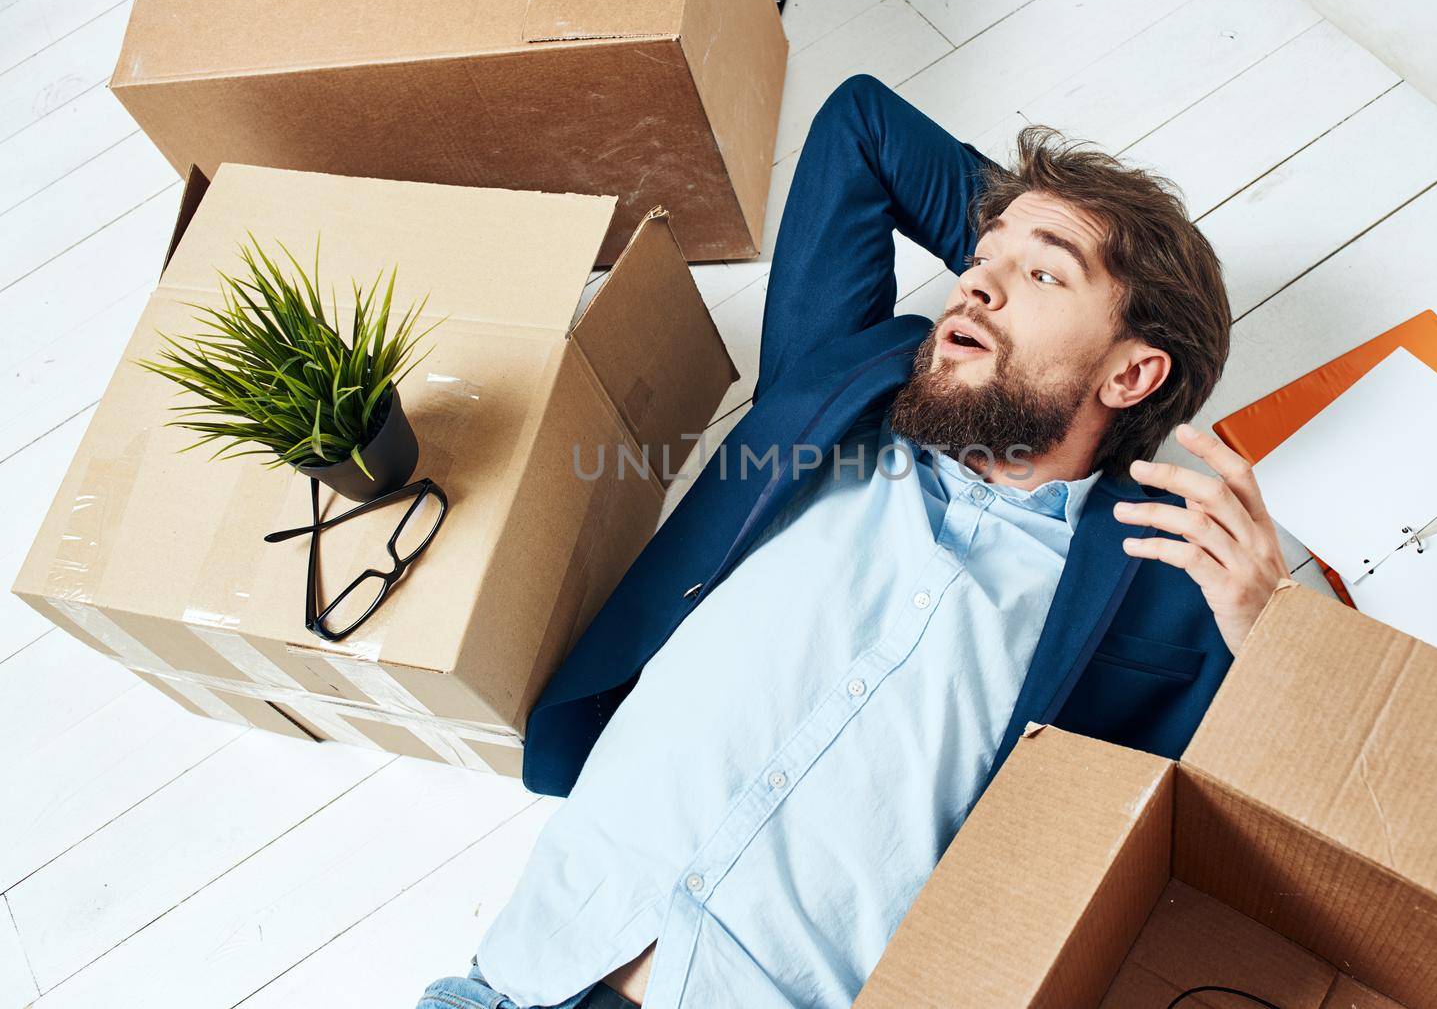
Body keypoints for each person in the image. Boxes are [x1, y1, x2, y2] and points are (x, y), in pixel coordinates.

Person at [418, 75, 1292, 1009]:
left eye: (1043, 273)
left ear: (1135, 373)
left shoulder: (1156, 588)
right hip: (522, 981)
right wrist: (1023, 272)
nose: (977, 280)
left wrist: (1273, 636)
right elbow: (861, 128)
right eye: (981, 256)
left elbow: (1268, 842)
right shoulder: (836, 392)